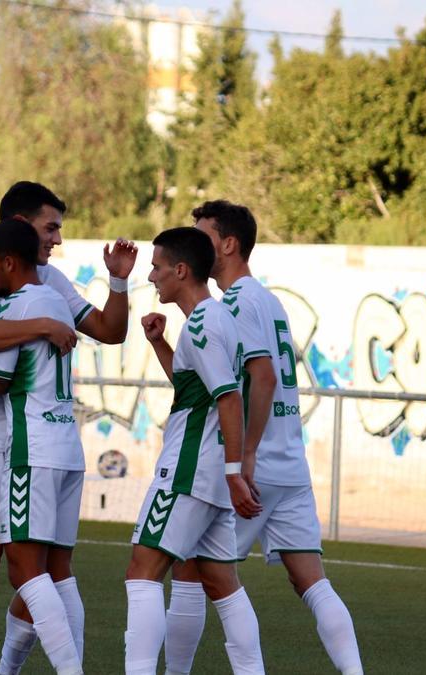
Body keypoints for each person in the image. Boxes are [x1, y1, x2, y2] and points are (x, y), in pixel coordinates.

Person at [162, 201, 362, 675]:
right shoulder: (269, 299)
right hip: (290, 462)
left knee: (193, 570)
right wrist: (160, 345)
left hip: (253, 464)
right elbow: (209, 384)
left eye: (203, 235)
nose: (194, 242)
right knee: (310, 580)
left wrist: (244, 457)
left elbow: (263, 377)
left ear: (228, 245)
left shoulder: (233, 302)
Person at [0, 181, 135, 674]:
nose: (56, 239)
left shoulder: (47, 282)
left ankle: (14, 668)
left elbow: (110, 331)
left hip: (26, 443)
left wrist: (118, 284)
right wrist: (43, 326)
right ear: (20, 229)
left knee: (34, 573)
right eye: (50, 228)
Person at [0, 219, 90, 675]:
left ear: (8, 261)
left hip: (30, 451)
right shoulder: (56, 302)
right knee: (57, 574)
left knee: (24, 574)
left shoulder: (16, 309)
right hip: (68, 445)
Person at [123, 227, 265, 675]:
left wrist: (233, 472)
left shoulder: (203, 324)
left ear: (180, 271)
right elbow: (196, 389)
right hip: (210, 475)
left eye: (157, 267)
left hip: (189, 470)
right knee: (223, 583)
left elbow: (228, 397)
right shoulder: (215, 319)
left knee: (141, 573)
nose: (151, 276)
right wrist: (159, 344)